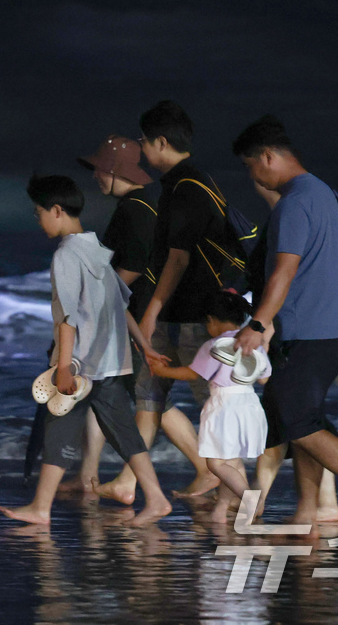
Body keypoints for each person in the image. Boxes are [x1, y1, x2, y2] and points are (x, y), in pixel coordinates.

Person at [230, 115, 338, 534]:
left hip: (306, 333)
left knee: (295, 419)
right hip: (329, 330)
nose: (254, 177)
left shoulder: (296, 203)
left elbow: (284, 272)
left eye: (251, 166)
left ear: (267, 157)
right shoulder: (322, 193)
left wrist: (259, 324)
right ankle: (307, 510)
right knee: (303, 419)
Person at [0, 175, 172, 527]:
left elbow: (67, 318)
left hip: (80, 366)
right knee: (119, 432)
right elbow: (120, 304)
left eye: (39, 213)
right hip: (107, 359)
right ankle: (154, 498)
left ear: (57, 211)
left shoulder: (65, 255)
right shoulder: (95, 247)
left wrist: (63, 367)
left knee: (62, 426)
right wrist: (144, 347)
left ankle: (42, 509)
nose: (37, 220)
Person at [127, 100, 243, 499]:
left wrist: (150, 313)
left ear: (160, 142)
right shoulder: (192, 183)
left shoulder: (187, 188)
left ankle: (235, 494)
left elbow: (178, 259)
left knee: (215, 402)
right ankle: (129, 484)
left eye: (143, 141)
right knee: (149, 396)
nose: (141, 149)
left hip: (197, 316)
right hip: (185, 313)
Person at [246, 178, 338, 522]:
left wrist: (260, 326)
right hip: (319, 331)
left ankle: (255, 506)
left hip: (294, 336)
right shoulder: (324, 208)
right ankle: (321, 504)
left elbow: (281, 279)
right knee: (301, 418)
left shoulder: (290, 217)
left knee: (287, 421)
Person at [149, 291, 270, 524]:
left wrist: (162, 370)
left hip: (225, 406)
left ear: (211, 320)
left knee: (215, 463)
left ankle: (249, 498)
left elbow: (192, 373)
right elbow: (264, 378)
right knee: (231, 461)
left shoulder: (214, 344)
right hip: (250, 405)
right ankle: (221, 511)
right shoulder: (254, 343)